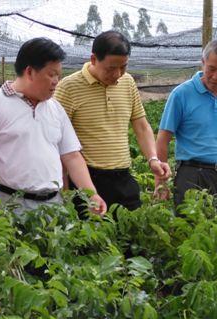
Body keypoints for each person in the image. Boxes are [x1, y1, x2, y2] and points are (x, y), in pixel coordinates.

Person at [0, 38, 107, 222]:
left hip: (52, 206)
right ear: (30, 71)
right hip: (9, 205)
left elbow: (72, 156)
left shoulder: (55, 108)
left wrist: (91, 194)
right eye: (51, 74)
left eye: (58, 75)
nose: (56, 81)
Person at [54, 30, 171, 214]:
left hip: (124, 176)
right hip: (88, 180)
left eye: (123, 67)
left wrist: (153, 159)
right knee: (92, 239)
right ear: (93, 59)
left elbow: (141, 125)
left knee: (130, 234)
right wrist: (64, 188)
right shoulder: (69, 87)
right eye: (110, 68)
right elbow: (58, 141)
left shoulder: (128, 82)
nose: (117, 74)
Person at [155, 39, 217, 212]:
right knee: (192, 234)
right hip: (192, 176)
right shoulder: (181, 94)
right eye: (211, 69)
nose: (216, 76)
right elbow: (163, 139)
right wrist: (161, 183)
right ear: (203, 63)